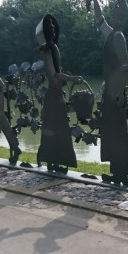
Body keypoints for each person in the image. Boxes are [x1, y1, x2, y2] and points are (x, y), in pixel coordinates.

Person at [87, 0, 128, 186]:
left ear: (121, 18)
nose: (111, 15)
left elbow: (126, 66)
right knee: (112, 132)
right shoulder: (112, 33)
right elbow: (99, 21)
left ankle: (122, 174)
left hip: (115, 94)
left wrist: (119, 92)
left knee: (118, 133)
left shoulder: (119, 37)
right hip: (110, 92)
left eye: (115, 13)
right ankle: (116, 173)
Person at [35, 14, 84, 173]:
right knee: (54, 129)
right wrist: (72, 78)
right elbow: (54, 74)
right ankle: (51, 161)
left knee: (60, 129)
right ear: (45, 32)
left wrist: (70, 79)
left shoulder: (54, 48)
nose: (53, 29)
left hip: (57, 93)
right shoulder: (47, 50)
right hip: (53, 94)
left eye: (54, 26)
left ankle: (56, 161)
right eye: (50, 27)